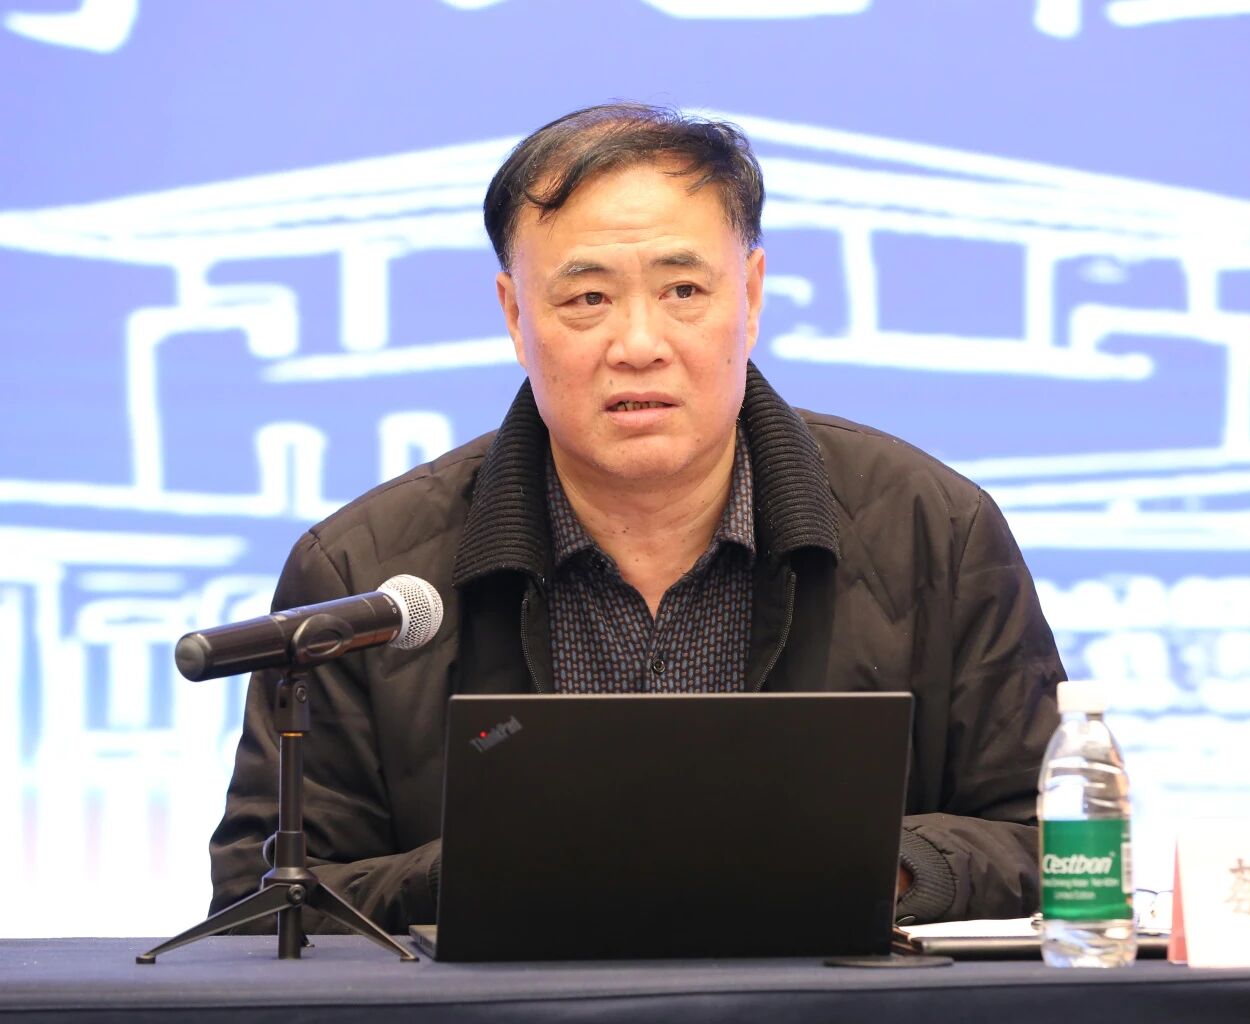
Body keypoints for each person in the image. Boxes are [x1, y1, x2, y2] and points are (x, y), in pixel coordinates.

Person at [210, 103, 1065, 933]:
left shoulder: (932, 531)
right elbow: (265, 903)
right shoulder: (364, 570)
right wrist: (495, 867)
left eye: (683, 289)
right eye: (587, 299)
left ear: (751, 296)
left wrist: (881, 864)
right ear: (515, 316)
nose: (639, 344)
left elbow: (1060, 843)